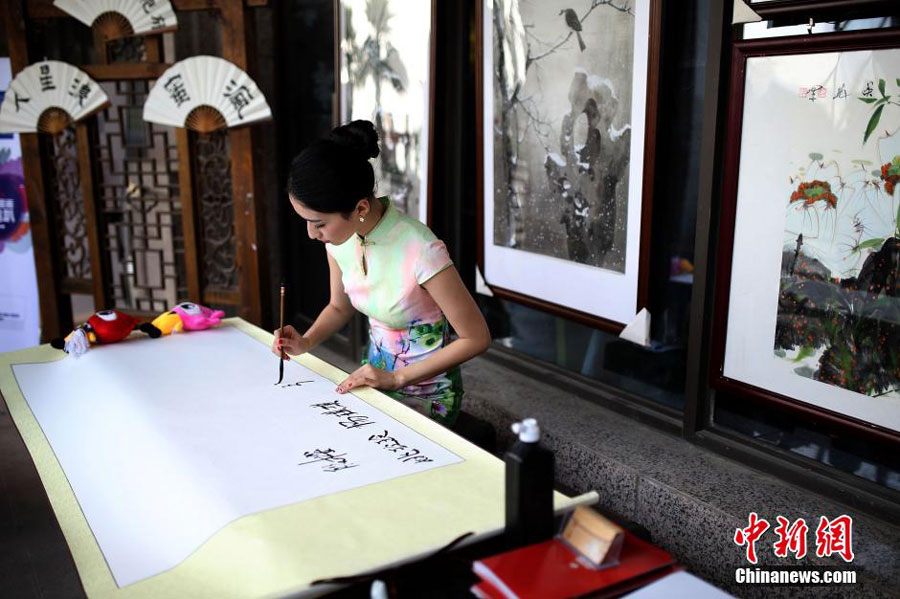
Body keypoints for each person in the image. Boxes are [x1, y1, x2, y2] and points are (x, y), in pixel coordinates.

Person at [273, 120, 491, 427]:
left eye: (319, 223)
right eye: (306, 221)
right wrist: (306, 342)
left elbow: (476, 337)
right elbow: (339, 306)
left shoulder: (420, 249)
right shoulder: (338, 240)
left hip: (427, 392)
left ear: (361, 208)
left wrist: (396, 378)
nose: (311, 233)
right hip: (373, 379)